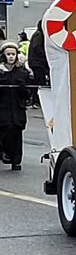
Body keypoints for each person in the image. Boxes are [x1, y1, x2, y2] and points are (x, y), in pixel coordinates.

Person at [0, 41, 33, 170]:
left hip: (17, 111)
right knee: (4, 134)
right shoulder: (1, 73)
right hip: (3, 111)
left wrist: (23, 87)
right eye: (8, 54)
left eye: (13, 54)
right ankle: (5, 154)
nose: (11, 57)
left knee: (17, 137)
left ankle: (16, 161)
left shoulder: (21, 73)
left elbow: (27, 95)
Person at [27, 22, 49, 89]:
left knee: (39, 81)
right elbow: (37, 47)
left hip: (36, 62)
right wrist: (45, 55)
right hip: (38, 62)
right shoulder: (39, 35)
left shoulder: (37, 34)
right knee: (40, 82)